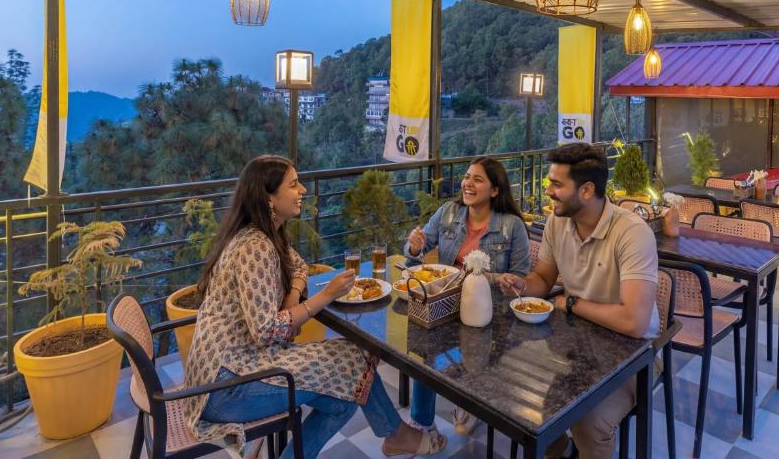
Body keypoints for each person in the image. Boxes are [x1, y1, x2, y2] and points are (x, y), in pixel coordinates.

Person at [184, 155, 447, 459]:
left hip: (236, 368)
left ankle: (395, 435)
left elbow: (298, 265)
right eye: (294, 184)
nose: (304, 190)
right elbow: (267, 331)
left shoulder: (268, 235)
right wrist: (324, 296)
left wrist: (293, 296)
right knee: (352, 369)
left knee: (347, 391)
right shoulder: (254, 247)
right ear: (269, 197)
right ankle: (397, 434)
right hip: (226, 387)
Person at [499, 143, 659, 459]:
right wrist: (522, 285)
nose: (548, 190)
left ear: (586, 190)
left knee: (587, 420)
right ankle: (554, 449)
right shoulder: (558, 223)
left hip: (634, 355)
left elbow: (635, 323)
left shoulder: (632, 233)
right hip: (576, 342)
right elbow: (544, 279)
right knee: (518, 386)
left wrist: (572, 304)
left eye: (557, 184)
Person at [405, 156, 531, 435]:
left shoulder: (512, 226)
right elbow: (416, 256)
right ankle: (420, 426)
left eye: (477, 179)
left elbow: (522, 278)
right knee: (425, 343)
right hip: (448, 304)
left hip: (491, 312)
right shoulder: (448, 212)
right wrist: (414, 248)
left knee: (471, 348)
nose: (467, 183)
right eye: (466, 177)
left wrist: (505, 280)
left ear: (495, 190)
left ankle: (471, 394)